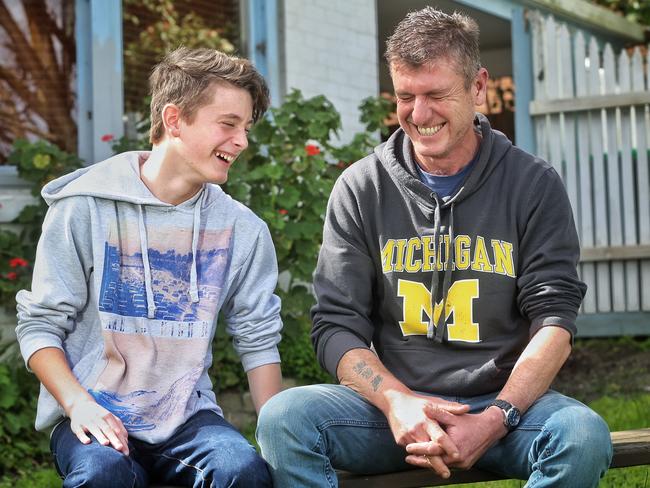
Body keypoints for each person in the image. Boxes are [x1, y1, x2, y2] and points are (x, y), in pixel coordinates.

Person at [256, 7, 612, 488]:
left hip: (501, 408)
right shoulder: (362, 187)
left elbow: (554, 320)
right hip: (390, 412)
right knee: (285, 417)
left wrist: (496, 417)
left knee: (581, 435)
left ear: (478, 87)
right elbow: (337, 326)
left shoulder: (533, 184)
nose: (418, 115)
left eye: (436, 94)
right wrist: (398, 402)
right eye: (406, 96)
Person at [15, 47, 282, 488]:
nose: (242, 141)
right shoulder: (84, 207)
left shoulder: (243, 230)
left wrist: (278, 446)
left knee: (242, 473)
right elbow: (40, 326)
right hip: (91, 410)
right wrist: (78, 405)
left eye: (247, 128)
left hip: (187, 418)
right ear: (174, 119)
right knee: (104, 475)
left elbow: (258, 338)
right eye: (229, 124)